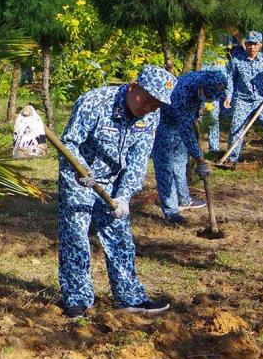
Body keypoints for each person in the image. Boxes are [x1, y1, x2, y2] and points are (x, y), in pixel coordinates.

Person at [56, 65, 175, 318]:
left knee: (119, 236)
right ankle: (77, 299)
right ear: (133, 87)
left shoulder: (150, 116)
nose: (149, 107)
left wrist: (124, 195)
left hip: (113, 181)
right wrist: (83, 171)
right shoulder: (95, 102)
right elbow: (69, 143)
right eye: (147, 99)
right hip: (79, 177)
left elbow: (139, 159)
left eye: (156, 104)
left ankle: (130, 296)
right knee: (76, 235)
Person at [152, 69, 227, 224]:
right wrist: (200, 160)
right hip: (161, 123)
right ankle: (171, 212)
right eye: (206, 97)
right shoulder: (183, 94)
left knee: (180, 162)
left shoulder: (210, 79)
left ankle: (184, 199)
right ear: (201, 88)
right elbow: (186, 131)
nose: (207, 100)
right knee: (165, 167)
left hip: (179, 121)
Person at [222, 31, 263, 167]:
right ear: (245, 44)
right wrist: (228, 96)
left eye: (255, 44)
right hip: (242, 99)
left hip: (262, 100)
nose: (252, 47)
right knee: (236, 128)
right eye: (249, 44)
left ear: (260, 45)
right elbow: (230, 79)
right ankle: (231, 159)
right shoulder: (237, 60)